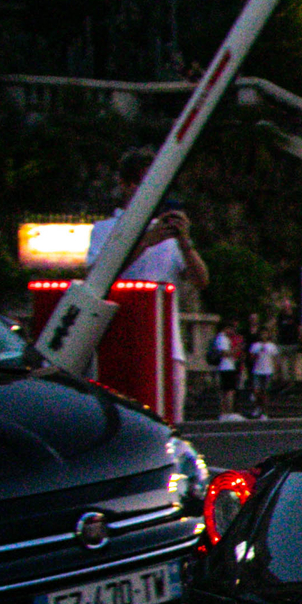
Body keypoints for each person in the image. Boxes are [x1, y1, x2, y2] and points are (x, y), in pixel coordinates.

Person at [87, 149, 206, 417]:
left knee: (169, 423)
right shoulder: (105, 229)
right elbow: (97, 276)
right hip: (117, 342)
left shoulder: (169, 232)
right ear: (127, 186)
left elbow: (201, 280)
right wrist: (145, 242)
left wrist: (186, 245)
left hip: (167, 345)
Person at [247, 324, 279, 418]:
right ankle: (258, 407)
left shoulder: (271, 346)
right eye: (262, 334)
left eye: (265, 334)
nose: (264, 336)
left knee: (265, 392)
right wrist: (256, 354)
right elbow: (251, 358)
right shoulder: (255, 345)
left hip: (268, 371)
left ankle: (264, 412)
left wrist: (276, 371)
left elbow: (275, 358)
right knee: (257, 391)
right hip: (257, 371)